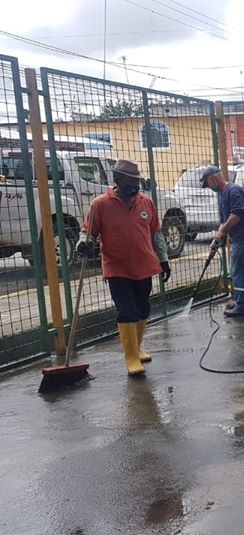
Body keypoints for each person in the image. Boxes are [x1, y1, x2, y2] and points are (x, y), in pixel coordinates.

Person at [76, 159, 170, 376]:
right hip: (117, 267)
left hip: (144, 265)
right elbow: (88, 232)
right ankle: (131, 357)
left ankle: (137, 347)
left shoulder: (146, 202)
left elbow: (156, 233)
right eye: (130, 181)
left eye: (137, 181)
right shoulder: (100, 205)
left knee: (143, 309)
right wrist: (83, 244)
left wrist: (164, 259)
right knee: (127, 310)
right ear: (117, 179)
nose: (135, 185)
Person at [200, 166, 244, 317]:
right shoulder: (222, 195)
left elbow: (236, 215)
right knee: (237, 270)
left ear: (212, 178)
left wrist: (223, 231)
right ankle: (241, 300)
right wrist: (217, 239)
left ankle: (243, 307)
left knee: (239, 271)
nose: (209, 187)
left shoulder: (234, 191)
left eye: (207, 184)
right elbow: (224, 221)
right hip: (237, 238)